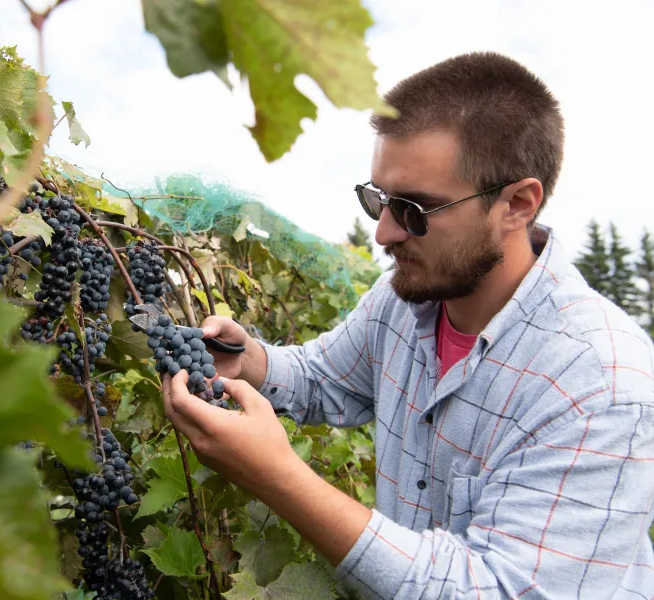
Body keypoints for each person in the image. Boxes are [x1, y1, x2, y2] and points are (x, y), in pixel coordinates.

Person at [162, 52, 654, 599]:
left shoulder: (600, 384)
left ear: (516, 204)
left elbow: (495, 590)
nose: (384, 234)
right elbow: (326, 377)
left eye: (415, 210)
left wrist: (279, 478)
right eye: (378, 200)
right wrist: (249, 361)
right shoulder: (406, 298)